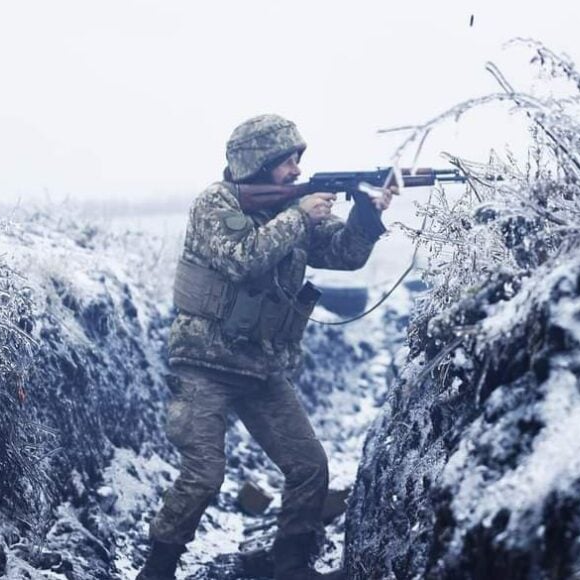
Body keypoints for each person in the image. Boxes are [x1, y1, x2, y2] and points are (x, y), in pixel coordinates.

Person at [137, 114, 391, 580]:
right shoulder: (215, 203)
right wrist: (298, 215)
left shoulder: (294, 207)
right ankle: (157, 569)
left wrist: (367, 212)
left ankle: (292, 567)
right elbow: (243, 260)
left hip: (260, 367)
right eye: (288, 161)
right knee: (205, 475)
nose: (297, 169)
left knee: (309, 465)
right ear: (260, 162)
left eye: (299, 160)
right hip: (203, 364)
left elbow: (346, 254)